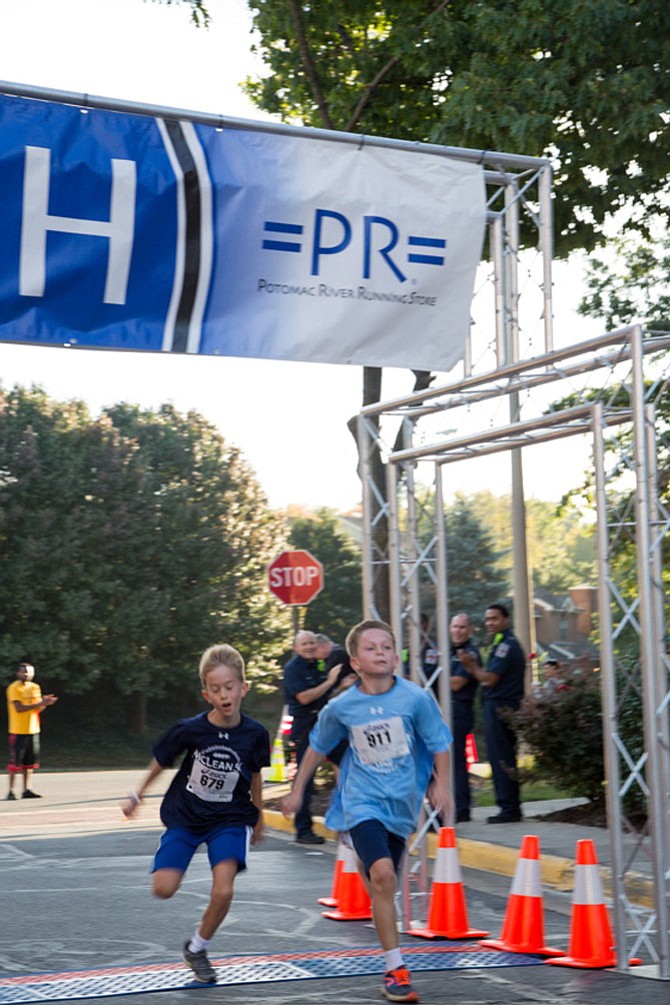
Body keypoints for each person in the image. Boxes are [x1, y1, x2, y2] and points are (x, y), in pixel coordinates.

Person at [282, 619, 452, 1004]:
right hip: (361, 801)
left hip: (401, 805)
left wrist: (440, 784)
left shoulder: (415, 699)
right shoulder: (342, 707)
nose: (380, 652)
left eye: (386, 646)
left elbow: (439, 741)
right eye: (371, 648)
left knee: (384, 885)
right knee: (384, 874)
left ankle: (375, 881)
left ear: (395, 655)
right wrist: (297, 791)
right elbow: (316, 746)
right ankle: (396, 971)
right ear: (355, 662)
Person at [121, 643, 270, 985]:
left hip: (230, 819)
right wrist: (136, 794)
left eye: (229, 687)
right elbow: (161, 759)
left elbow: (257, 775)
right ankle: (173, 858)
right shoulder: (190, 729)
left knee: (223, 891)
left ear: (243, 688)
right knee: (163, 888)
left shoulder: (255, 733)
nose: (224, 695)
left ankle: (197, 947)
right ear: (206, 694)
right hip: (186, 816)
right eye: (215, 689)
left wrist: (258, 815)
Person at [283, 630, 352, 844]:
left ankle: (349, 819)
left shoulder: (317, 665)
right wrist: (331, 680)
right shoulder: (293, 669)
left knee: (352, 764)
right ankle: (303, 830)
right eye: (304, 643)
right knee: (306, 779)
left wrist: (340, 686)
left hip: (327, 727)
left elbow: (324, 697)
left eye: (312, 643)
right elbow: (304, 698)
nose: (309, 646)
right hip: (307, 730)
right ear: (295, 647)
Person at [459, 603, 525, 823]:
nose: (489, 623)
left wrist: (470, 666)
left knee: (501, 757)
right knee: (500, 756)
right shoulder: (499, 643)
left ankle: (509, 808)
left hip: (501, 706)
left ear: (506, 619)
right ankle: (508, 806)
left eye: (494, 619)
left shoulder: (506, 645)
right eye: (487, 619)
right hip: (498, 705)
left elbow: (489, 679)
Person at [6, 661, 58, 800]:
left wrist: (45, 704)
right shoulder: (14, 688)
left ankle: (26, 789)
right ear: (18, 673)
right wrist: (40, 703)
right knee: (15, 764)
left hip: (33, 729)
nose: (26, 674)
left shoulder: (35, 687)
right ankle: (11, 790)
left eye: (29, 672)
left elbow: (37, 709)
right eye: (23, 671)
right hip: (18, 730)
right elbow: (19, 708)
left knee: (29, 764)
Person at [448, 613, 481, 823]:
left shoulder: (471, 653)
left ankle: (461, 809)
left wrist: (433, 676)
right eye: (455, 626)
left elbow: (457, 683)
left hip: (459, 710)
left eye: (462, 627)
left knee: (456, 762)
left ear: (470, 630)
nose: (458, 631)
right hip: (442, 710)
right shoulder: (446, 651)